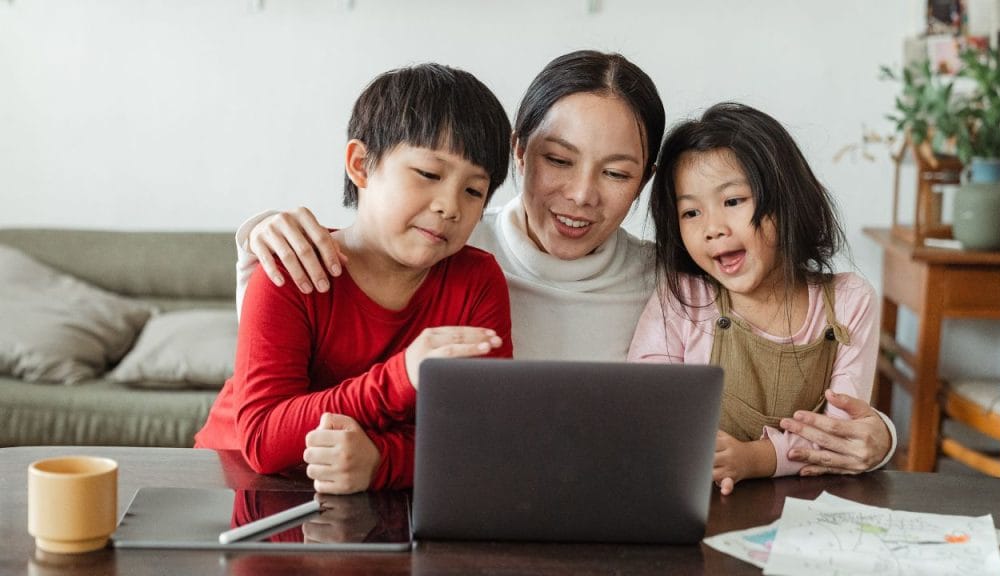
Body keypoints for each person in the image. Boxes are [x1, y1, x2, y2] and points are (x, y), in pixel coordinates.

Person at [234, 51, 896, 480]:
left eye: (616, 173)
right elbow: (332, 283)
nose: (583, 194)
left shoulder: (671, 290)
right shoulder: (450, 245)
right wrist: (258, 233)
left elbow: (780, 352)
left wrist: (881, 437)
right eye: (558, 160)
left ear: (645, 185)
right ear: (517, 153)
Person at [194, 63, 514, 494]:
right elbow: (263, 439)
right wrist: (401, 376)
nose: (449, 206)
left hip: (370, 496)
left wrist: (380, 462)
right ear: (361, 165)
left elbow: (482, 441)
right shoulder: (292, 267)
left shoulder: (477, 281)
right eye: (429, 174)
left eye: (473, 190)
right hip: (237, 483)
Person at [629, 102, 886, 495]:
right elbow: (649, 408)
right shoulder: (682, 297)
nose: (713, 228)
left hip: (811, 506)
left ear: (786, 199)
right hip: (697, 501)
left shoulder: (849, 301)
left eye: (733, 201)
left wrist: (757, 459)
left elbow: (840, 438)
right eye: (691, 213)